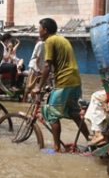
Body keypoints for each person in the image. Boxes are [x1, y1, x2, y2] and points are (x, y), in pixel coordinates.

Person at [33, 17, 90, 153]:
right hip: (75, 80)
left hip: (65, 81)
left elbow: (47, 65)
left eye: (39, 29)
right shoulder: (62, 39)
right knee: (75, 114)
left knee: (52, 115)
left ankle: (56, 149)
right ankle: (91, 141)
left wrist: (38, 86)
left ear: (45, 30)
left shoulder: (50, 41)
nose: (38, 31)